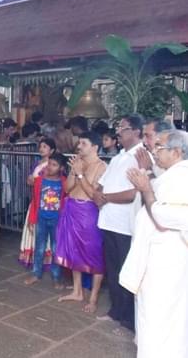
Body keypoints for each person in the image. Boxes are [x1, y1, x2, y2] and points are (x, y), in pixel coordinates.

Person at [121, 130, 188, 358]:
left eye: (159, 146)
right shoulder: (171, 174)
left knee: (159, 320)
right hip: (159, 262)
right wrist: (147, 181)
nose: (154, 150)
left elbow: (163, 218)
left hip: (166, 264)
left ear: (177, 152)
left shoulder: (182, 178)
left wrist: (146, 188)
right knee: (154, 320)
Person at [93, 114, 145, 330]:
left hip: (125, 225)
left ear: (136, 132)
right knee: (113, 270)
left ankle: (129, 319)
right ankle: (116, 311)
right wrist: (98, 195)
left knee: (126, 272)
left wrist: (106, 198)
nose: (118, 132)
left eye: (123, 128)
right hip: (108, 221)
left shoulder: (139, 157)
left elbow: (134, 193)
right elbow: (101, 185)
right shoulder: (118, 157)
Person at [56, 132, 108, 312]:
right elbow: (67, 188)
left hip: (89, 212)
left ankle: (93, 297)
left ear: (94, 147)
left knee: (94, 254)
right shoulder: (77, 164)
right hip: (71, 208)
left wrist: (79, 174)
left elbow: (94, 194)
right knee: (73, 251)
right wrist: (73, 171)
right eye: (79, 144)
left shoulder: (102, 167)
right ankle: (77, 291)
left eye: (83, 144)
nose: (79, 147)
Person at [24, 152, 67, 288]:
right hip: (41, 218)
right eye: (49, 163)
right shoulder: (40, 180)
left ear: (61, 168)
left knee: (56, 248)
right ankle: (36, 273)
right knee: (39, 247)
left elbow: (66, 200)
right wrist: (32, 218)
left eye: (54, 165)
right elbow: (35, 201)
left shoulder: (64, 182)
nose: (50, 167)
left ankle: (56, 276)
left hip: (57, 220)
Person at [19, 138, 56, 269]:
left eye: (45, 147)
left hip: (48, 201)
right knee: (34, 228)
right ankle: (35, 255)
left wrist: (37, 180)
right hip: (36, 199)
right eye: (40, 146)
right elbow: (29, 180)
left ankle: (48, 258)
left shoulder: (54, 165)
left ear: (52, 150)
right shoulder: (36, 163)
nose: (41, 149)